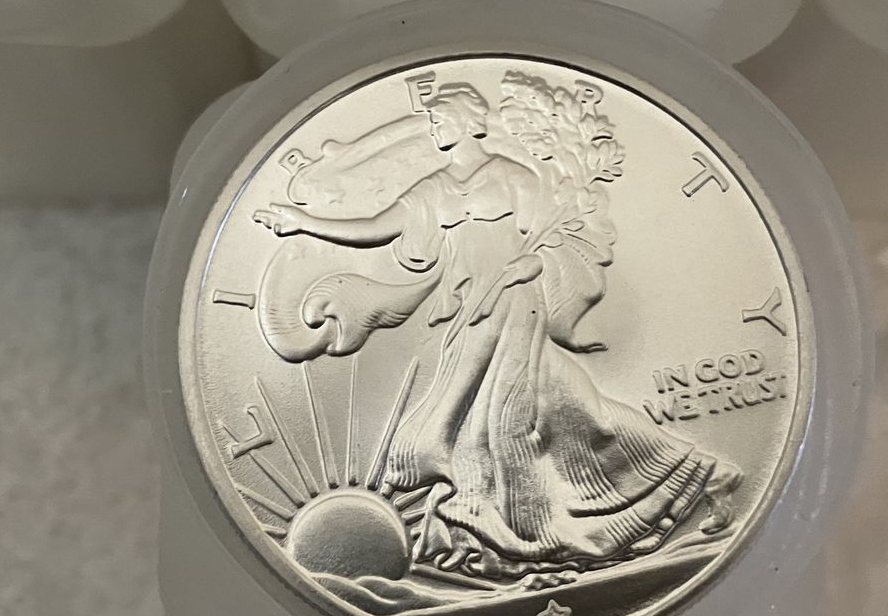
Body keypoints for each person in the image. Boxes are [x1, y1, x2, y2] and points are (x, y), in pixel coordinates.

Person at [253, 77, 727, 579]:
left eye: (440, 119)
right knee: (564, 407)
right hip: (469, 309)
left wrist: (528, 265)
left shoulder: (512, 176)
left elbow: (555, 234)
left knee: (491, 418)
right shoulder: (435, 188)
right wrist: (303, 222)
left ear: (465, 122)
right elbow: (376, 227)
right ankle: (699, 477)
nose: (434, 127)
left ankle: (516, 532)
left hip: (512, 303)